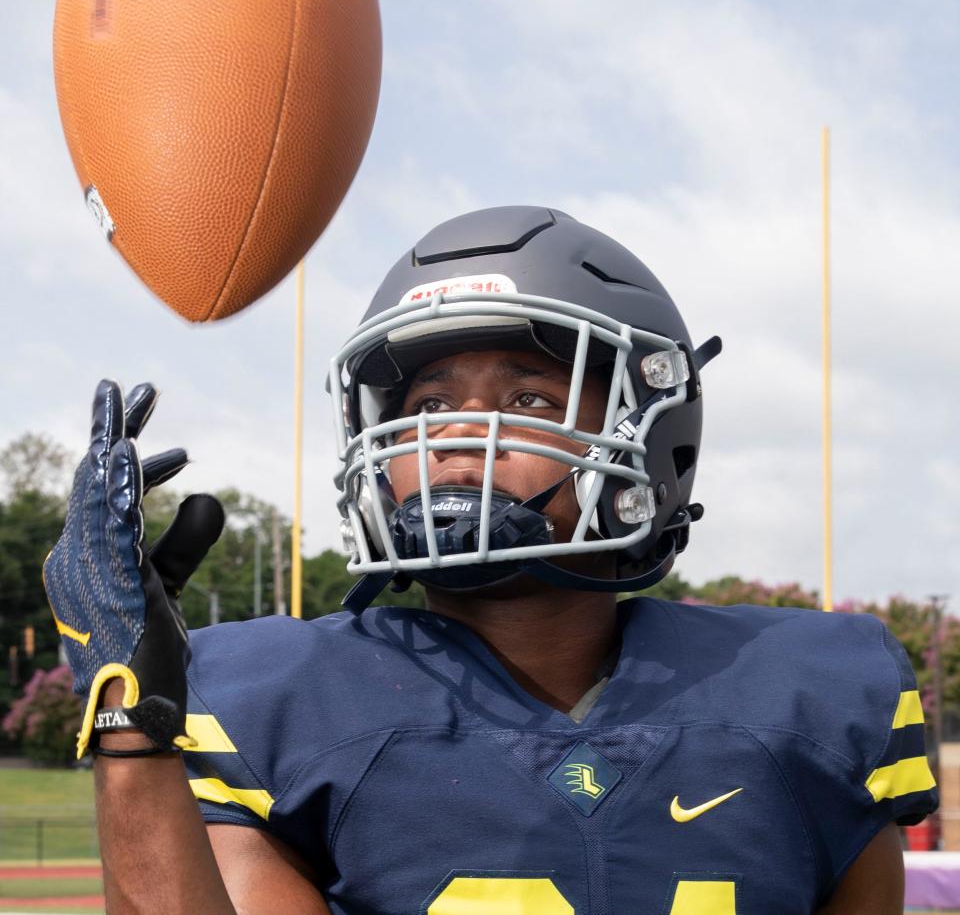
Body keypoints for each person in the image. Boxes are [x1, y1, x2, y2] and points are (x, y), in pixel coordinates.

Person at [42, 205, 937, 915]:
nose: (458, 431)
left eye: (530, 395)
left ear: (651, 429)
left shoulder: (813, 696)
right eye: (427, 399)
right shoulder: (277, 698)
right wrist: (134, 727)